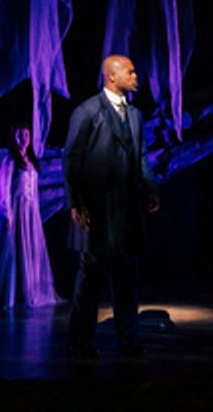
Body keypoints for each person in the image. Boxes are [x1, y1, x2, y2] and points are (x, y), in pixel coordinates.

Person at [64, 54, 160, 358]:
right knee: (90, 275)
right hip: (96, 208)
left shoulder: (135, 115)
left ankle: (128, 338)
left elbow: (141, 154)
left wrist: (151, 187)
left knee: (126, 277)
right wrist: (76, 203)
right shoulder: (88, 111)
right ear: (111, 76)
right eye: (130, 72)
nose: (136, 77)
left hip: (127, 209)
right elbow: (72, 161)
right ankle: (80, 341)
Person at [0, 125, 61, 310]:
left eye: (27, 134)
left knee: (30, 248)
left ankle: (29, 291)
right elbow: (4, 187)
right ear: (14, 137)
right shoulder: (10, 160)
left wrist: (37, 211)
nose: (24, 137)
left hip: (30, 209)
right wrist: (6, 212)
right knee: (16, 248)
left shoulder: (31, 161)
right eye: (20, 134)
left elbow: (34, 189)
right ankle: (14, 294)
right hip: (17, 207)